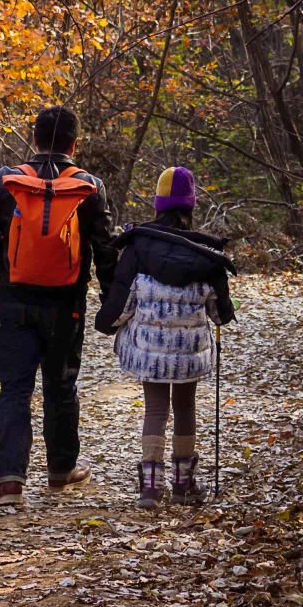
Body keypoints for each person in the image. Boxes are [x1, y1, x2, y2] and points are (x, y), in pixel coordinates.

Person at [0, 104, 115, 504]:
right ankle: (60, 469)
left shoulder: (8, 180)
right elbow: (104, 249)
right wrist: (111, 302)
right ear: (75, 143)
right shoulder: (88, 185)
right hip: (66, 305)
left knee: (14, 389)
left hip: (14, 303)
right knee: (61, 387)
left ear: (34, 138)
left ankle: (11, 479)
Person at [94, 166, 235, 507]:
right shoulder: (207, 255)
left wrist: (107, 323)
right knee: (185, 407)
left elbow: (123, 304)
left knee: (155, 409)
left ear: (157, 205)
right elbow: (221, 315)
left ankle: (151, 487)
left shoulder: (139, 248)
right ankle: (184, 484)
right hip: (189, 352)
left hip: (151, 352)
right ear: (191, 206)